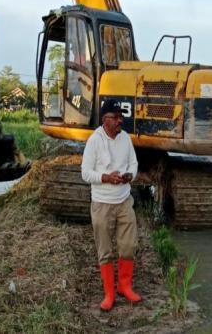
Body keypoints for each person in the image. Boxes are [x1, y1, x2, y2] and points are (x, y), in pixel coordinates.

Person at [81, 99, 141, 311]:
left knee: (129, 245)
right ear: (105, 120)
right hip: (102, 204)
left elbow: (133, 163)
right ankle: (109, 293)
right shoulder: (94, 141)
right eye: (115, 117)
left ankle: (125, 286)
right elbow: (86, 173)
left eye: (120, 116)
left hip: (124, 201)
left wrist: (129, 176)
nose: (120, 121)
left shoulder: (125, 138)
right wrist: (106, 177)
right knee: (105, 250)